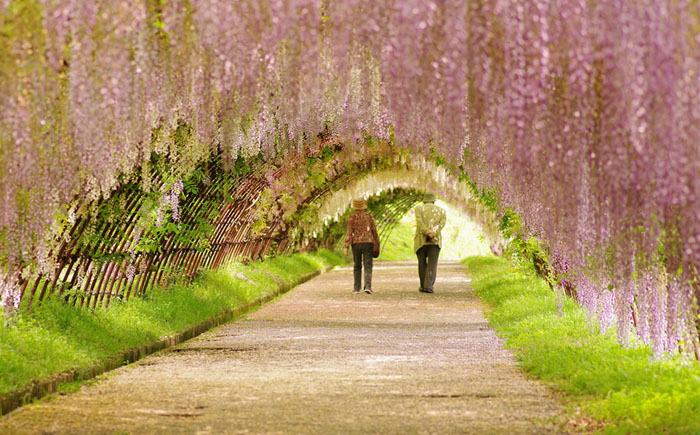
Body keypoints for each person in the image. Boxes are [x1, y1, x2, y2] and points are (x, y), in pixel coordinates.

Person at [414, 192, 446, 293]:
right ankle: (429, 286)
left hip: (421, 240)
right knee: (432, 264)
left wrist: (427, 232)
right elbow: (442, 224)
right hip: (435, 240)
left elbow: (419, 223)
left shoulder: (419, 208)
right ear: (434, 200)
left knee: (422, 263)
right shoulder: (441, 211)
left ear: (424, 200)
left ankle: (423, 286)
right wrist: (433, 233)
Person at [344, 198, 378, 294]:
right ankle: (368, 286)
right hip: (368, 242)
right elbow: (374, 230)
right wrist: (376, 241)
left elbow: (349, 233)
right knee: (368, 265)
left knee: (357, 266)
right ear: (364, 206)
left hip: (356, 243)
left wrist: (347, 246)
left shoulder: (351, 218)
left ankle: (356, 288)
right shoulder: (369, 216)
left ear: (354, 207)